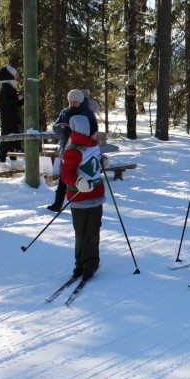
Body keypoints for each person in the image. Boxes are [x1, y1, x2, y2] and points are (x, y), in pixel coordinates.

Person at [61, 115, 105, 281]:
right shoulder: (74, 150)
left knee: (93, 231)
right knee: (81, 232)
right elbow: (66, 175)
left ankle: (90, 264)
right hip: (79, 198)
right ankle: (80, 263)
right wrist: (78, 181)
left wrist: (102, 162)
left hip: (96, 196)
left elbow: (94, 163)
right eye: (95, 131)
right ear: (87, 132)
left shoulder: (93, 146)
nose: (97, 134)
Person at [47, 89, 99, 212]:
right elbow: (55, 127)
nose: (72, 104)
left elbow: (93, 130)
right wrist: (61, 127)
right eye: (70, 101)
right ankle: (58, 203)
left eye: (75, 102)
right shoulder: (65, 112)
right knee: (65, 174)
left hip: (83, 148)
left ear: (80, 101)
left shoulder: (88, 113)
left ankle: (84, 200)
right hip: (67, 146)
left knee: (82, 174)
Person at [0, 65, 24, 171]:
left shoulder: (9, 87)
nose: (16, 76)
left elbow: (14, 103)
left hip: (11, 118)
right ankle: (2, 163)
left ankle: (14, 161)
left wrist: (19, 98)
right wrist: (18, 97)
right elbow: (8, 101)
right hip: (8, 119)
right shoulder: (6, 87)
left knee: (12, 139)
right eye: (14, 75)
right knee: (6, 140)